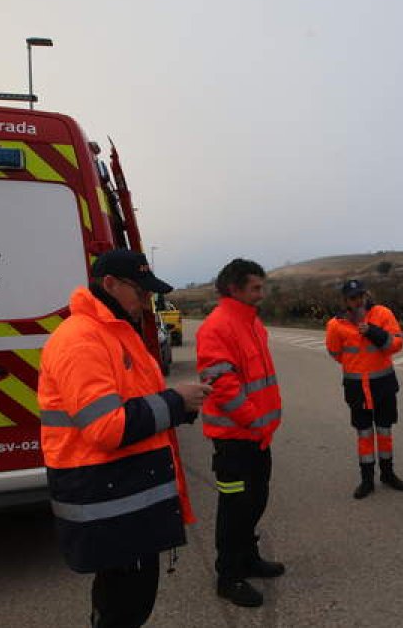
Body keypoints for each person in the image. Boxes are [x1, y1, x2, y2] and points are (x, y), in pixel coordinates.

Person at [38, 249, 211, 628]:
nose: (147, 302)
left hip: (123, 492)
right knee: (124, 606)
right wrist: (175, 400)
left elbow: (136, 404)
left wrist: (181, 406)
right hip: (108, 497)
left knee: (126, 602)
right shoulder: (82, 339)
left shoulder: (114, 332)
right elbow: (107, 427)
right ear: (110, 284)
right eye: (140, 291)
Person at [196, 258, 285, 608]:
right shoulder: (218, 326)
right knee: (235, 507)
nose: (261, 294)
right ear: (234, 288)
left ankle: (248, 558)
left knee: (254, 501)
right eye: (255, 288)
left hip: (257, 436)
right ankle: (228, 575)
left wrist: (262, 426)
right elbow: (222, 385)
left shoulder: (251, 322)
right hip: (236, 439)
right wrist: (254, 420)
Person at [325, 279, 403, 499]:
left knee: (384, 430)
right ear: (345, 301)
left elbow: (397, 343)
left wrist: (374, 332)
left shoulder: (382, 314)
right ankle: (367, 479)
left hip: (383, 384)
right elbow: (335, 353)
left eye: (361, 295)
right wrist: (356, 365)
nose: (358, 300)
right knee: (364, 433)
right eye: (353, 297)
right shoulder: (335, 324)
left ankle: (388, 474)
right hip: (356, 387)